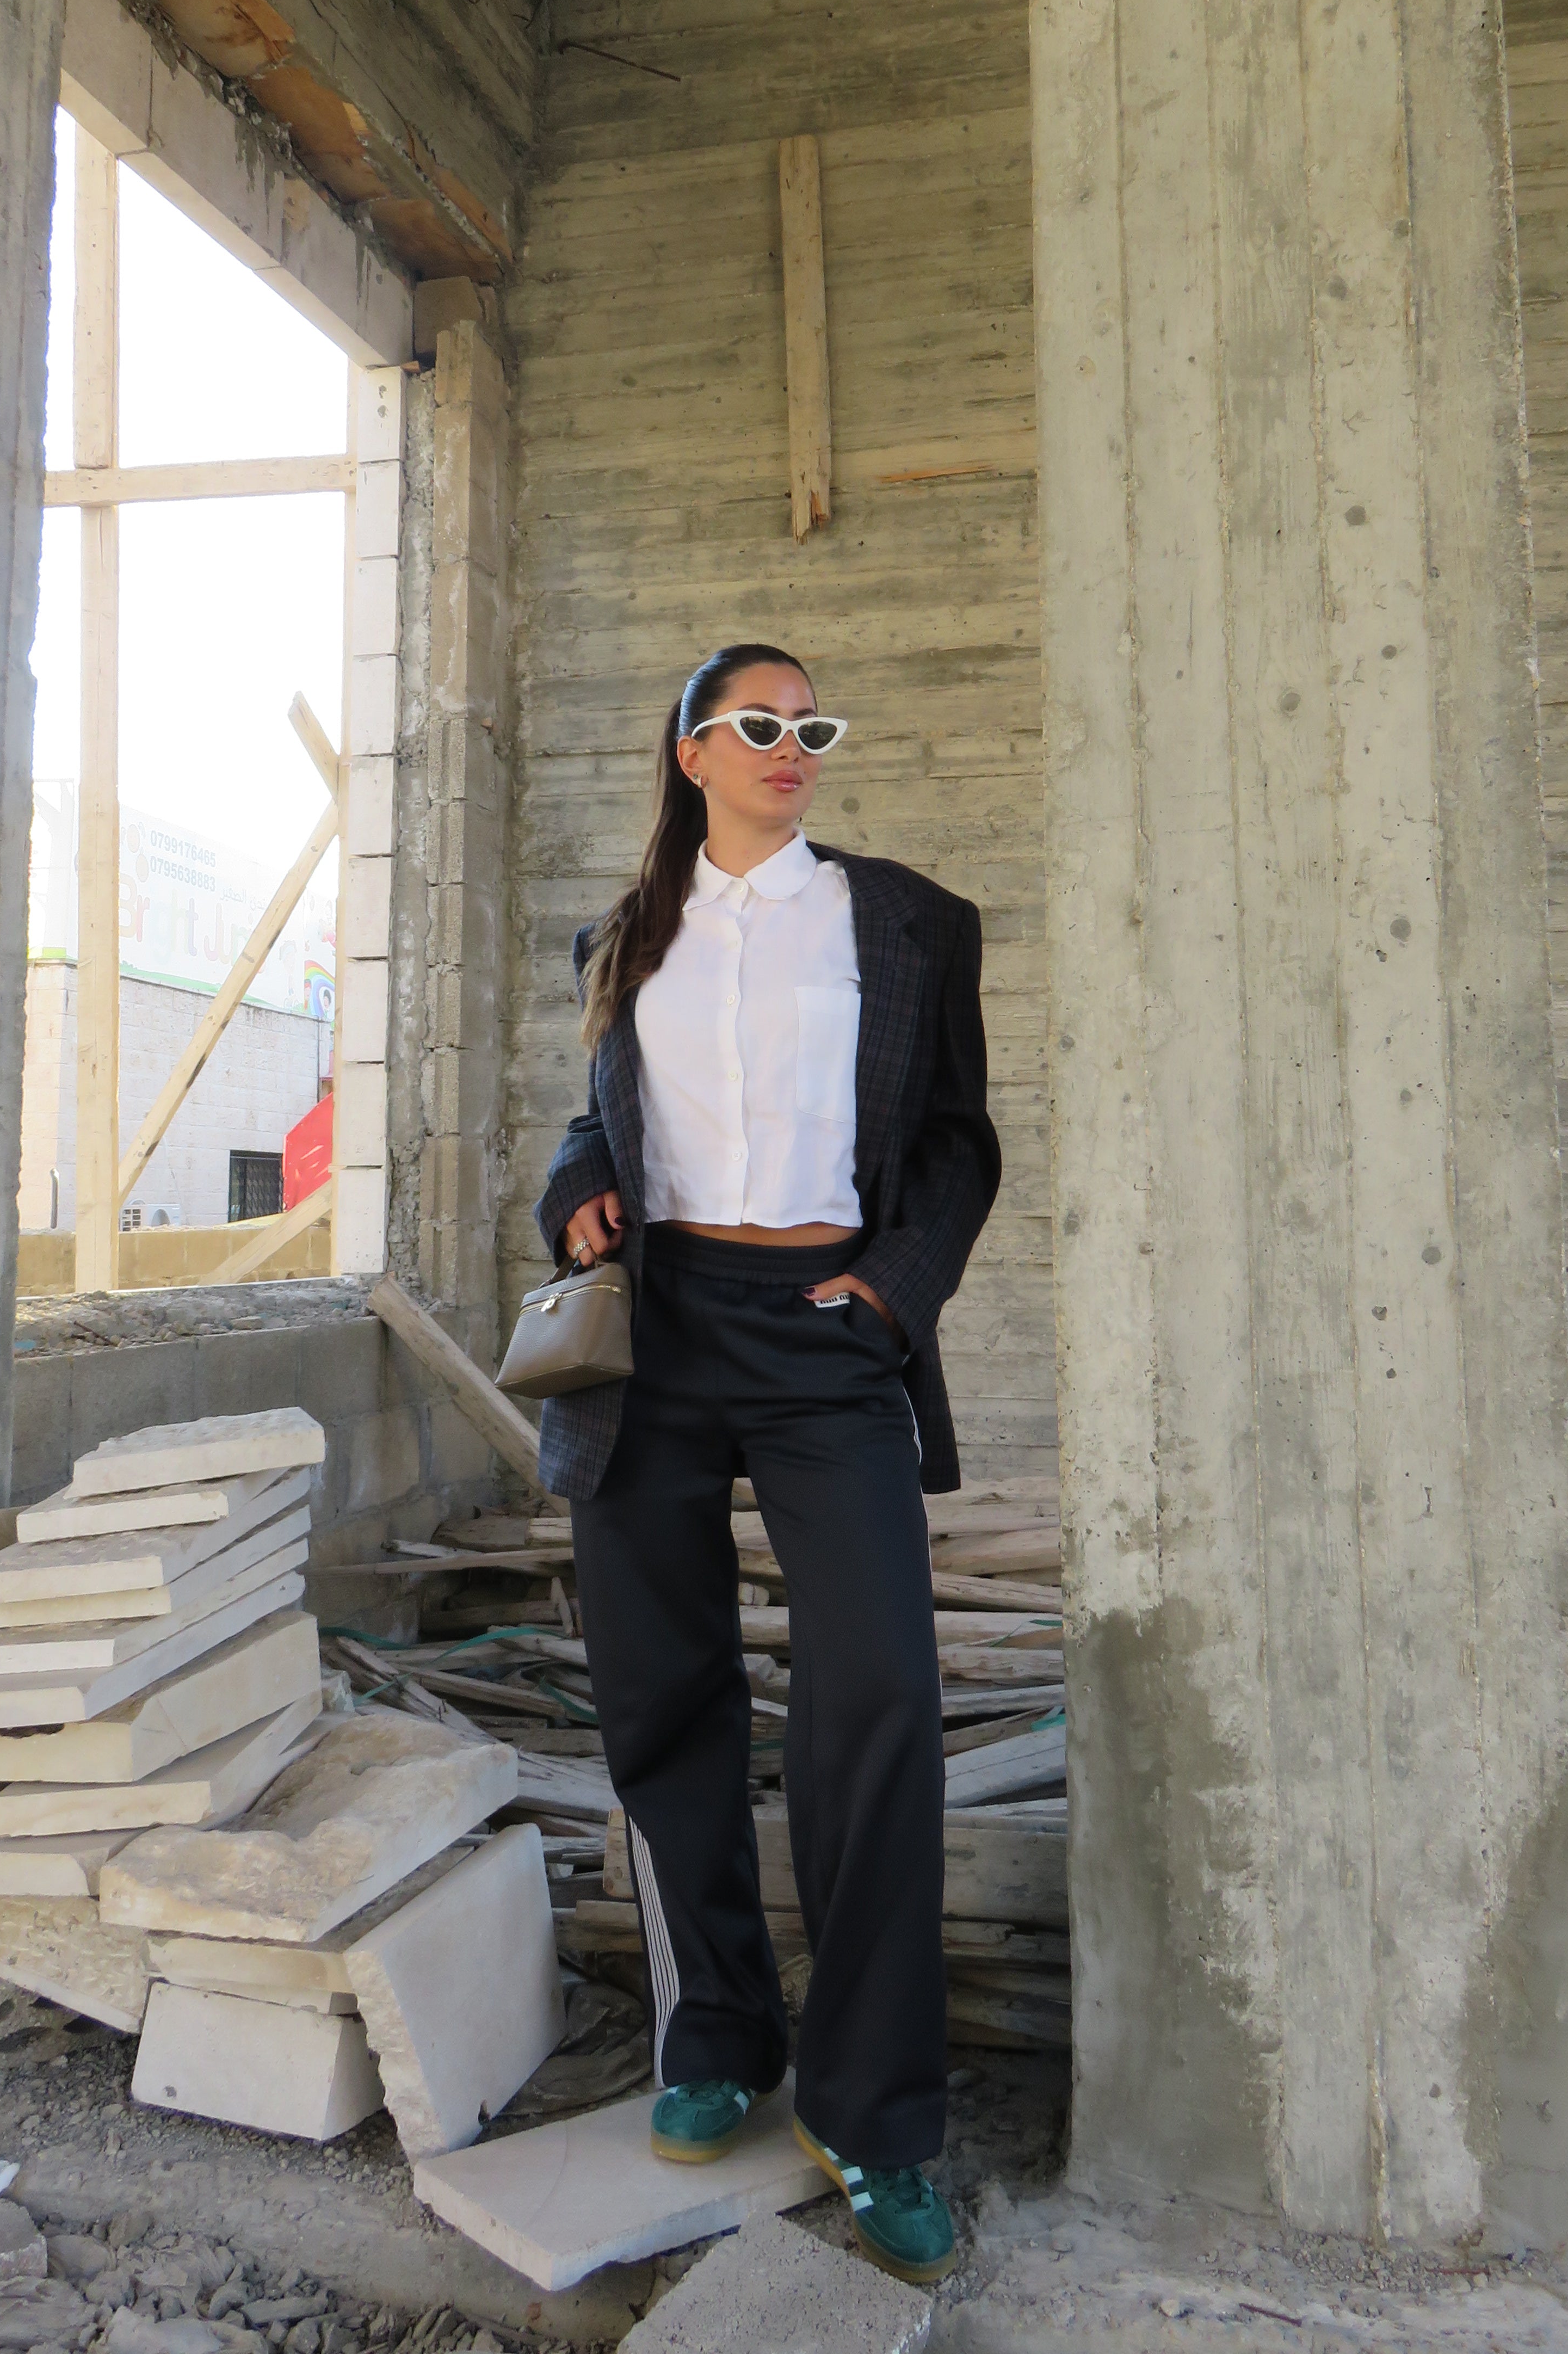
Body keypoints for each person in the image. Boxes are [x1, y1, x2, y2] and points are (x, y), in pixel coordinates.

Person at [534, 639, 1001, 2285]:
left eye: (811, 727)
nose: (792, 747)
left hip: (826, 1337)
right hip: (654, 1339)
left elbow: (955, 1144)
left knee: (877, 1698)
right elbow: (601, 1120)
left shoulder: (907, 923)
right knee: (665, 1696)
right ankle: (718, 2031)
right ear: (693, 753)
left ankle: (872, 2115)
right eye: (759, 724)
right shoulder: (624, 936)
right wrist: (576, 1191)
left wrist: (889, 1293)